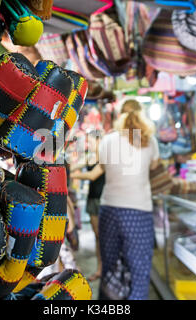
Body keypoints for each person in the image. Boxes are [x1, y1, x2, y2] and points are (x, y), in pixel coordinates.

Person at [71, 99, 159, 300]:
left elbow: (101, 167)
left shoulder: (109, 140)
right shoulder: (148, 139)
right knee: (139, 270)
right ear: (141, 113)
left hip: (109, 210)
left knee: (110, 267)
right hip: (138, 211)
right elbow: (154, 168)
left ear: (119, 115)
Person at [70, 130, 105, 282]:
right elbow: (75, 166)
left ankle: (105, 269)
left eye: (90, 141)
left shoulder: (106, 158)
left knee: (103, 237)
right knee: (97, 237)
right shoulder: (90, 157)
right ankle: (100, 269)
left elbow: (92, 175)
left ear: (98, 141)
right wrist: (64, 169)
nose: (88, 145)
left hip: (103, 200)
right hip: (92, 200)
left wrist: (71, 175)